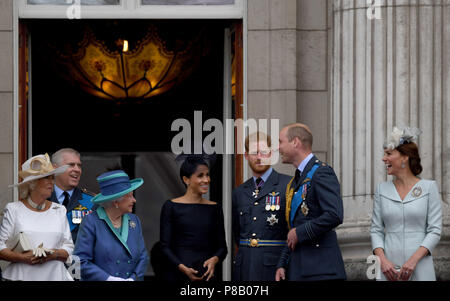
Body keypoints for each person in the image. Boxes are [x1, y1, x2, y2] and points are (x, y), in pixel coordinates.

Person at [275, 123, 346, 281]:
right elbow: (295, 226)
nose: (278, 148)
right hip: (300, 268)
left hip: (321, 269)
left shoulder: (321, 172)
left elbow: (335, 214)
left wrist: (300, 233)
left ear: (295, 142)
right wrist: (282, 263)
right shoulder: (297, 180)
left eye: (280, 142)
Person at [370, 127, 442, 281]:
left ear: (405, 157)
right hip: (388, 270)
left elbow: (435, 230)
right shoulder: (381, 189)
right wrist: (383, 261)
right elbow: (376, 230)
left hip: (420, 266)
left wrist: (413, 261)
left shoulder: (429, 188)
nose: (383, 159)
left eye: (389, 154)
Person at [0, 154, 74, 281]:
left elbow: (68, 247)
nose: (52, 182)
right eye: (46, 178)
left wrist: (52, 255)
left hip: (55, 276)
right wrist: (23, 258)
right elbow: (1, 247)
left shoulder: (59, 210)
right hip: (21, 277)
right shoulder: (14, 209)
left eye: (52, 178)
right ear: (32, 183)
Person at [232, 132, 291, 281]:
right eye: (254, 153)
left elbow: (293, 230)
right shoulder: (239, 192)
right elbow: (237, 233)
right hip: (244, 267)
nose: (259, 157)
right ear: (246, 156)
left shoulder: (288, 185)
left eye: (263, 152)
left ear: (271, 153)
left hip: (274, 268)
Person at [160, 155, 227, 281]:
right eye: (200, 175)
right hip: (179, 275)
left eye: (207, 175)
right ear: (186, 179)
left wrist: (214, 259)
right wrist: (182, 267)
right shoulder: (171, 207)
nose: (206, 180)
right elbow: (165, 247)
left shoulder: (215, 208)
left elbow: (222, 248)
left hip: (207, 276)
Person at [73, 170, 149, 281]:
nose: (134, 200)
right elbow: (80, 261)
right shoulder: (91, 222)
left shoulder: (134, 220)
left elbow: (143, 256)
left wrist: (133, 279)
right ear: (116, 202)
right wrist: (108, 279)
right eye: (130, 196)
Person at [49, 148, 95, 244]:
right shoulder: (42, 198)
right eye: (71, 165)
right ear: (55, 168)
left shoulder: (92, 202)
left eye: (79, 165)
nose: (77, 169)